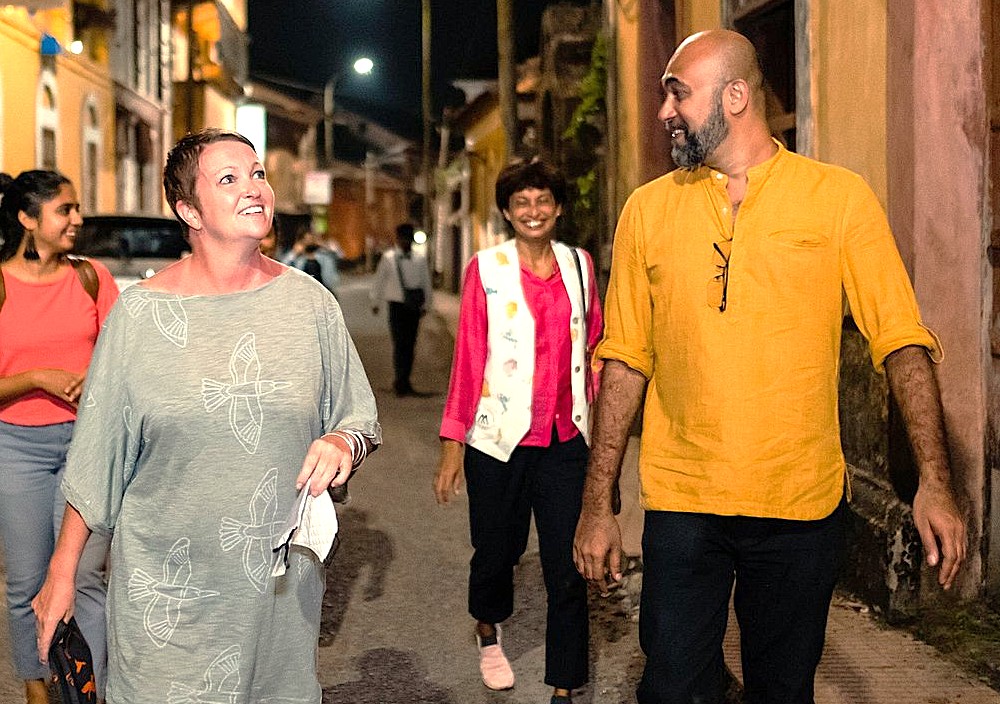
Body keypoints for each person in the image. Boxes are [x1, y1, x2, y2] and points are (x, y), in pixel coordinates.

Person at [572, 29, 967, 704]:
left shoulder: (838, 199)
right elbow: (625, 361)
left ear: (735, 95)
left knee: (782, 690)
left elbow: (901, 341)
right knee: (670, 687)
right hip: (682, 500)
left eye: (678, 93)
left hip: (798, 503)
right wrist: (597, 504)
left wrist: (935, 479)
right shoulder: (647, 210)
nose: (665, 111)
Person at [31, 129, 381, 704]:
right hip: (166, 592)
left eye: (258, 174)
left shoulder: (310, 304)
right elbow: (96, 456)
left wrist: (343, 443)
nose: (254, 189)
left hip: (277, 591)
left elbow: (359, 418)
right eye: (229, 179)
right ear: (188, 209)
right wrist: (62, 572)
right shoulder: (140, 316)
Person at [434, 160, 603, 704]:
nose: (534, 211)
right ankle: (488, 629)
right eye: (522, 203)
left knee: (567, 568)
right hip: (498, 443)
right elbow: (469, 359)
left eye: (543, 200)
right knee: (495, 553)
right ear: (507, 211)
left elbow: (596, 350)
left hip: (564, 444)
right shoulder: (486, 268)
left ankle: (563, 687)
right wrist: (452, 445)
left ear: (557, 208)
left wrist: (600, 439)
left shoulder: (580, 267)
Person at [0, 170, 119, 704]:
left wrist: (95, 379)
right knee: (27, 583)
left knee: (85, 580)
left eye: (76, 208)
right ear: (27, 220)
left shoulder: (92, 278)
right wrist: (36, 378)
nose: (77, 219)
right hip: (14, 448)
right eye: (64, 210)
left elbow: (124, 362)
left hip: (86, 446)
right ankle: (37, 689)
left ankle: (85, 695)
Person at [369, 223, 433, 396]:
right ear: (398, 239)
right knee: (399, 343)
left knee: (410, 344)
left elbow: (425, 281)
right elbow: (379, 280)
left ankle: (405, 380)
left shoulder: (419, 258)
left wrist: (427, 303)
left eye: (408, 239)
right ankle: (400, 381)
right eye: (403, 239)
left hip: (413, 306)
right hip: (396, 306)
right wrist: (375, 301)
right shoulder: (388, 258)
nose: (406, 242)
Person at [283, 229, 341, 296]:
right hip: (303, 293)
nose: (309, 242)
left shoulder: (323, 255)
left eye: (311, 239)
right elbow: (283, 266)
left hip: (324, 292)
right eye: (306, 240)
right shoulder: (298, 258)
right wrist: (294, 253)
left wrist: (324, 246)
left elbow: (339, 256)